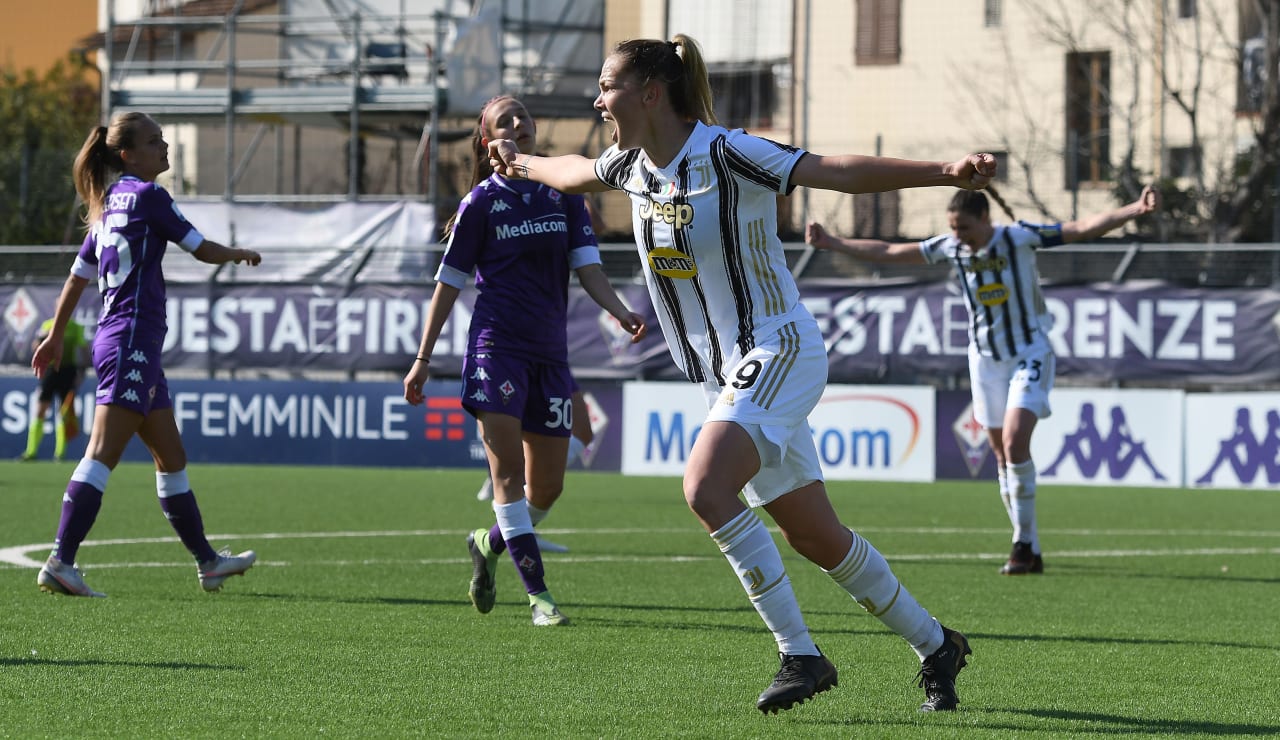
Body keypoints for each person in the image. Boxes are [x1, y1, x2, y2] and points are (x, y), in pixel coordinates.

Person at [487, 35, 991, 712]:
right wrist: (520, 163)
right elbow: (575, 172)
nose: (598, 99)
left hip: (780, 350)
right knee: (817, 537)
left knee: (704, 486)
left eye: (607, 87)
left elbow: (836, 170)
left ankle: (800, 654)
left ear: (649, 93)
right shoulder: (633, 167)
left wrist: (943, 172)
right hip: (727, 377)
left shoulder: (727, 152)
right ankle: (936, 644)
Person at [806, 184, 1161, 576]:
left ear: (986, 219)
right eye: (953, 228)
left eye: (964, 227)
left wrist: (1133, 210)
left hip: (1029, 352)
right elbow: (891, 252)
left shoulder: (1019, 238)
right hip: (985, 360)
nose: (958, 236)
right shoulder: (952, 248)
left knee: (1014, 441)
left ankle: (1022, 544)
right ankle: (1029, 543)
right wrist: (833, 242)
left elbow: (1081, 228)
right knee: (1000, 453)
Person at [404, 95, 646, 627]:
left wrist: (623, 311)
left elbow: (589, 270)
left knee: (549, 488)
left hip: (550, 356)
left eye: (523, 117)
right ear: (488, 142)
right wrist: (423, 358)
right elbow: (448, 284)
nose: (517, 124)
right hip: (497, 349)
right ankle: (540, 597)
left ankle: (486, 543)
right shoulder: (480, 204)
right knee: (507, 474)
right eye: (503, 120)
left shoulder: (565, 199)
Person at [31, 112, 261, 598]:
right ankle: (61, 559)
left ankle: (208, 562)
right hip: (132, 339)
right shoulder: (149, 196)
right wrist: (238, 253)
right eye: (155, 142)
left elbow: (77, 276)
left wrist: (55, 336)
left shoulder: (108, 203)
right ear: (127, 155)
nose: (165, 148)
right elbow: (198, 248)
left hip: (125, 342)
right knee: (101, 454)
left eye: (164, 141)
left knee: (171, 457)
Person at [475, 385, 593, 554]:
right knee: (524, 428)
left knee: (583, 433)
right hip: (522, 363)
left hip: (556, 363)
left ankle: (506, 531)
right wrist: (423, 361)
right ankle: (520, 528)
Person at [21, 317, 89, 462]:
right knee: (40, 409)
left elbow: (84, 349)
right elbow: (36, 347)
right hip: (51, 371)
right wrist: (41, 337)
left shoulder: (76, 327)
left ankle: (60, 454)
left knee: (64, 412)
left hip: (68, 371)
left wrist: (82, 371)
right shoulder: (47, 324)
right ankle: (31, 451)